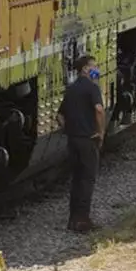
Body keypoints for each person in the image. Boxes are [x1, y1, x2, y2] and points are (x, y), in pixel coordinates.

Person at [56, 54, 105, 232]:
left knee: (76, 180)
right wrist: (100, 132)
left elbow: (59, 116)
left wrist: (68, 130)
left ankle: (72, 219)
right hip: (88, 140)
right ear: (85, 68)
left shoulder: (71, 88)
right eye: (94, 66)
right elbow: (99, 110)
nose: (96, 69)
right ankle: (83, 220)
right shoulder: (92, 88)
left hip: (73, 139)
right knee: (87, 180)